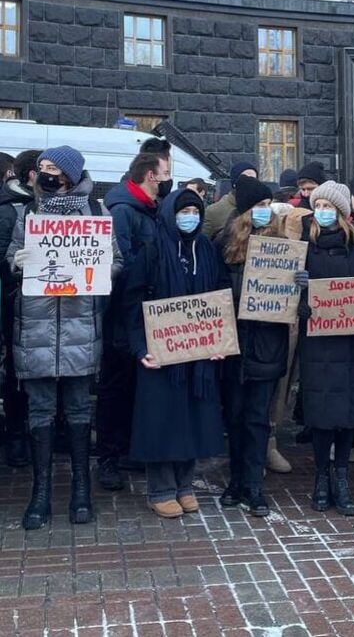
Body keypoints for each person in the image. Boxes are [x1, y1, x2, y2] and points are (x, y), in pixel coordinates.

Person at [6, 146, 116, 528]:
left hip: (78, 328)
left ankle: (81, 490)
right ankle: (40, 494)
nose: (45, 174)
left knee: (78, 409)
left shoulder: (98, 213)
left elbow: (115, 261)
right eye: (42, 169)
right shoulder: (30, 214)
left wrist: (98, 269)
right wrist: (17, 263)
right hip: (35, 327)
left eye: (52, 168)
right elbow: (11, 256)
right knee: (39, 410)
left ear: (70, 174)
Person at [130, 188, 229, 519]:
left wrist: (219, 339)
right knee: (163, 421)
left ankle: (185, 484)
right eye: (184, 211)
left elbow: (219, 294)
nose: (191, 218)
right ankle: (160, 489)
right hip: (160, 354)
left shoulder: (206, 249)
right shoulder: (153, 249)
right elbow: (131, 301)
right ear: (171, 214)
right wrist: (140, 346)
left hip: (198, 353)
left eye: (195, 212)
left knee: (193, 420)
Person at [295, 181, 354, 516]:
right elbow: (288, 292)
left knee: (347, 414)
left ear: (342, 212)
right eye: (319, 206)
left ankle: (341, 476)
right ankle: (321, 477)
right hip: (318, 342)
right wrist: (301, 298)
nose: (322, 212)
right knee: (321, 414)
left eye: (329, 206)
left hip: (352, 342)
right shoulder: (304, 244)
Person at [211, 175, 289, 516]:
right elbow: (212, 292)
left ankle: (254, 485)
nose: (265, 212)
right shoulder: (222, 245)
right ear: (244, 212)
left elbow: (297, 304)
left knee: (258, 418)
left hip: (266, 346)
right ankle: (236, 481)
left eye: (268, 206)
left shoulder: (284, 247)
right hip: (233, 346)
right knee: (235, 417)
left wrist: (299, 286)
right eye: (259, 206)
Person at [98, 151, 172, 493]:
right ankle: (108, 458)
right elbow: (121, 265)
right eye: (166, 172)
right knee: (115, 386)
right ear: (150, 176)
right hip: (123, 314)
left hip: (145, 313)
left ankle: (127, 449)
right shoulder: (124, 211)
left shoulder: (150, 211)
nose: (169, 179)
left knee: (134, 385)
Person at [0, 150, 34, 469]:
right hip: (17, 306)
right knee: (16, 373)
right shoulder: (10, 211)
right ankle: (16, 434)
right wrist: (15, 267)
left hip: (46, 306)